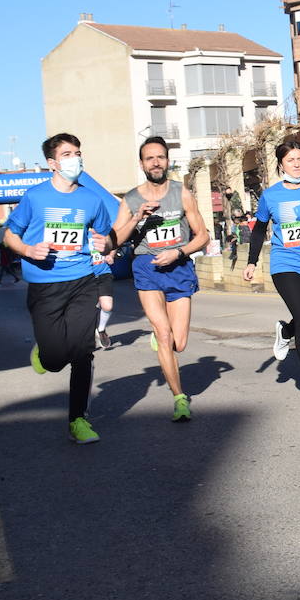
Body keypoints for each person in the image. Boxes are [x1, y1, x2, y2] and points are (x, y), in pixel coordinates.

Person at [3, 133, 117, 444]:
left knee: (83, 353)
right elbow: (9, 235)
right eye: (67, 154)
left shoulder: (91, 200)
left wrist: (106, 243)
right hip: (44, 284)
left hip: (81, 281)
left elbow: (108, 239)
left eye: (78, 152)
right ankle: (45, 351)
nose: (75, 159)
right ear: (52, 163)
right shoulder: (35, 197)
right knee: (54, 361)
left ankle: (78, 420)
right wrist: (28, 251)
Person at [115, 138, 211, 420]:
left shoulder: (182, 194)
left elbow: (203, 236)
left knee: (179, 343)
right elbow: (115, 239)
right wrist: (135, 219)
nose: (155, 162)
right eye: (149, 158)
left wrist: (178, 252)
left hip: (178, 267)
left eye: (160, 157)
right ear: (142, 164)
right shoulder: (131, 199)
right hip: (147, 269)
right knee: (164, 332)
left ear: (168, 161)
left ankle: (163, 344)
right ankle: (179, 398)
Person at [244, 142, 300, 403]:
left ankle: (285, 332)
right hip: (285, 263)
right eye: (290, 160)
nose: (296, 164)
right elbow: (260, 230)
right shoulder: (270, 195)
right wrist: (252, 262)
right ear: (280, 165)